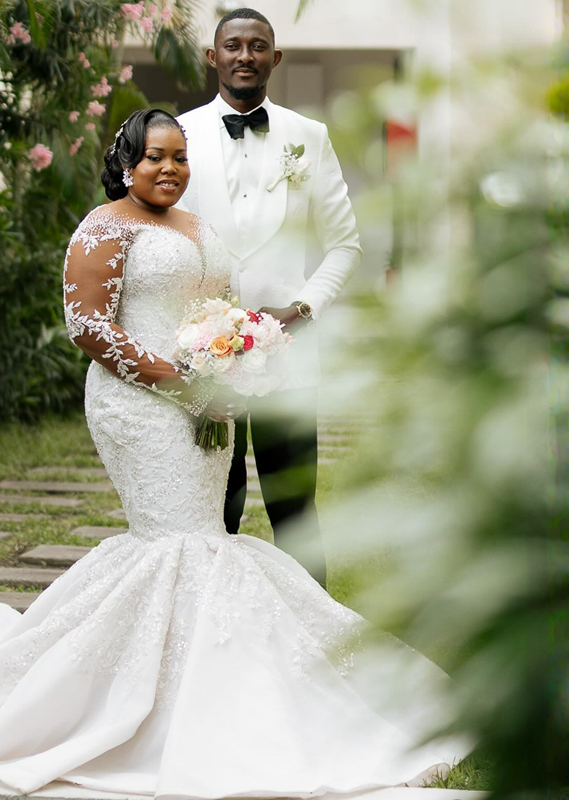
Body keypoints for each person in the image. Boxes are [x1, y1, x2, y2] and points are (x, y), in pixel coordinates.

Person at [0, 110, 472, 800]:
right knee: (178, 542)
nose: (169, 169)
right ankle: (139, 704)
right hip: (137, 406)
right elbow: (89, 327)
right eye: (154, 157)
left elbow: (222, 311)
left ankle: (211, 685)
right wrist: (181, 382)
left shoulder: (198, 228)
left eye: (179, 158)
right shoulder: (104, 227)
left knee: (203, 542)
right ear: (126, 163)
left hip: (211, 402)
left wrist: (237, 367)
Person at [177, 8, 363, 589]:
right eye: (233, 45)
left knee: (295, 511)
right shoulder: (177, 135)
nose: (245, 56)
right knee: (213, 510)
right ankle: (210, 631)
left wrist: (303, 309)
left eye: (258, 46)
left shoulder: (309, 138)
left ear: (274, 59)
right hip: (203, 357)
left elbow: (345, 245)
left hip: (289, 357)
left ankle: (313, 638)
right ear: (213, 57)